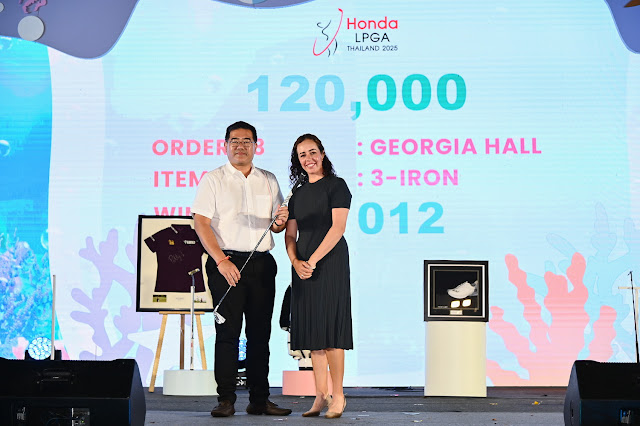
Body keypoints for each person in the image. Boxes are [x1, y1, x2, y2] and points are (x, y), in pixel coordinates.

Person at [191, 121, 292, 418]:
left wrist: (280, 222)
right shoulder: (213, 179)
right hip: (226, 264)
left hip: (261, 264)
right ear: (225, 145)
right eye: (234, 141)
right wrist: (221, 261)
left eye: (247, 141)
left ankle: (260, 400)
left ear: (255, 146)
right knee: (227, 334)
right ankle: (226, 399)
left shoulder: (268, 179)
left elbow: (276, 225)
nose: (240, 146)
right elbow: (201, 223)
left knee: (260, 335)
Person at [284, 133, 353, 419]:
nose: (308, 158)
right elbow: (290, 234)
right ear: (297, 160)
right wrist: (295, 261)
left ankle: (339, 395)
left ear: (322, 154)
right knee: (313, 333)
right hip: (302, 266)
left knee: (331, 332)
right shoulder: (296, 193)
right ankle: (320, 395)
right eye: (302, 155)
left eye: (313, 152)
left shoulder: (337, 186)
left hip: (329, 261)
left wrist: (311, 261)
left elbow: (338, 228)